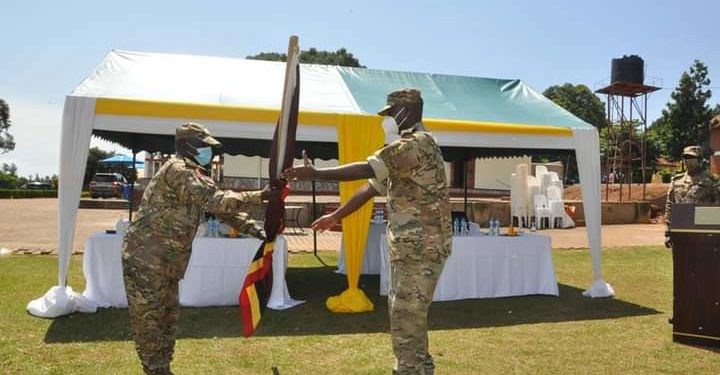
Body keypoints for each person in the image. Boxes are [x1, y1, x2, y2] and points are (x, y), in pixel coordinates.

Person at [284, 88, 452, 375]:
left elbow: (366, 169)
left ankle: (409, 370)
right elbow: (370, 187)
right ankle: (421, 368)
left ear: (405, 112)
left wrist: (318, 174)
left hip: (420, 247)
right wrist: (336, 215)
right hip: (414, 248)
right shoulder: (409, 151)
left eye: (389, 114)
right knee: (408, 315)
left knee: (406, 317)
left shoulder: (415, 144)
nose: (386, 121)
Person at [122, 122, 277, 375]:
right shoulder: (179, 169)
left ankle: (162, 368)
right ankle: (155, 369)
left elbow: (218, 209)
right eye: (205, 146)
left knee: (167, 317)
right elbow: (215, 200)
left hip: (167, 261)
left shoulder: (195, 173)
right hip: (147, 258)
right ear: (189, 146)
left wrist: (257, 231)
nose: (210, 152)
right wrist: (259, 195)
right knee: (150, 320)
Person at [664, 145, 719, 248]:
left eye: (691, 157)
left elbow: (717, 206)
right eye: (686, 157)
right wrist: (668, 232)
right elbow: (669, 206)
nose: (688, 160)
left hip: (704, 233)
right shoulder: (676, 181)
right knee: (682, 262)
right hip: (681, 230)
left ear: (700, 160)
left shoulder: (711, 182)